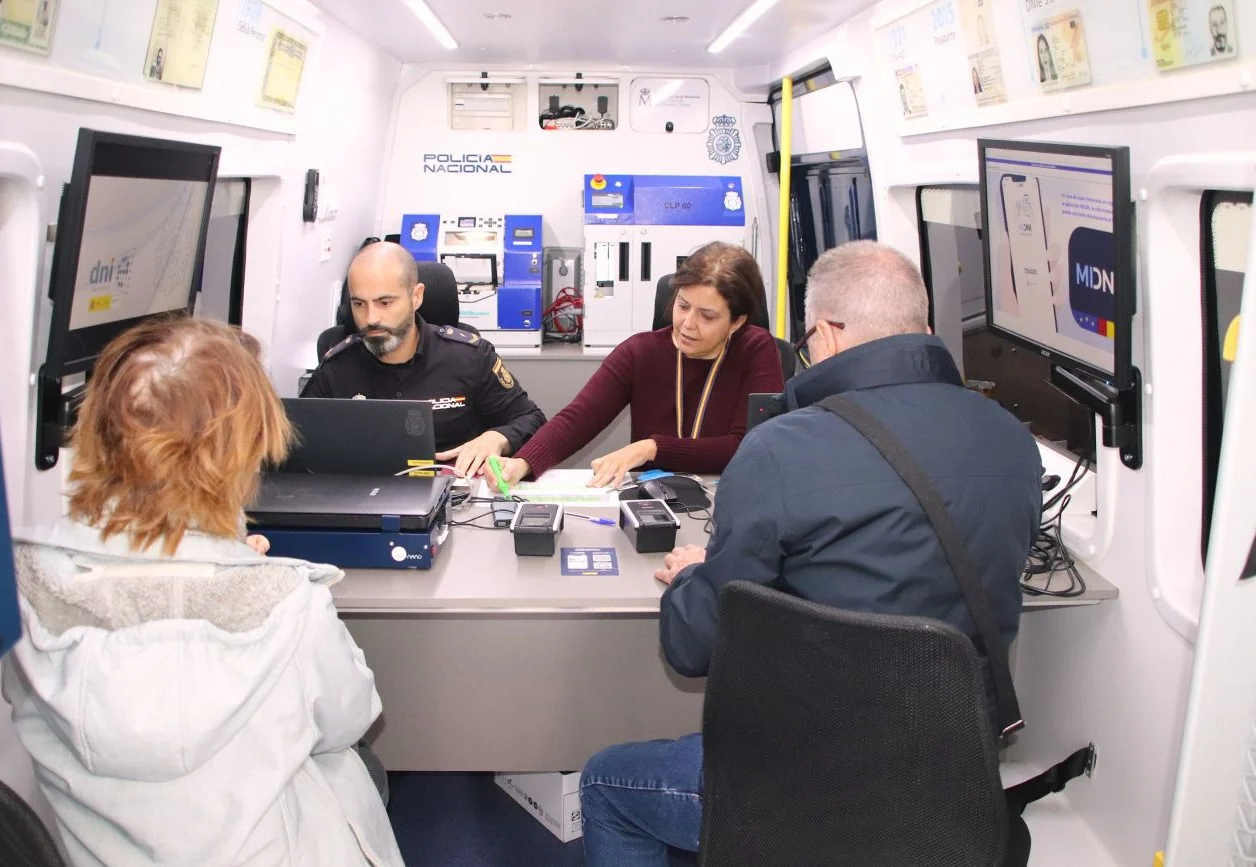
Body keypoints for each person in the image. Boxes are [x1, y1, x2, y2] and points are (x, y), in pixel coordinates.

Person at [577, 241, 1042, 865]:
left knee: (608, 781)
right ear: (921, 326)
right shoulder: (1012, 440)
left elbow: (692, 646)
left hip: (812, 786)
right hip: (953, 778)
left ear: (824, 334)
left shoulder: (781, 448)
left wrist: (697, 576)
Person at [4, 317, 405, 867]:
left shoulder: (24, 586)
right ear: (241, 455)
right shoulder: (287, 605)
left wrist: (224, 556)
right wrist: (240, 565)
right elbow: (351, 718)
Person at [485, 241, 784, 489]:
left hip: (731, 497)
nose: (687, 323)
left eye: (706, 316)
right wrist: (523, 462)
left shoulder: (756, 350)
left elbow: (748, 445)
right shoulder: (640, 352)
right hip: (655, 503)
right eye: (682, 306)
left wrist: (650, 448)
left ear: (737, 321)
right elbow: (578, 419)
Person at [302, 241, 546, 478]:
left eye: (384, 302)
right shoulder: (337, 367)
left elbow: (532, 419)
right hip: (362, 494)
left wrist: (497, 438)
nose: (371, 318)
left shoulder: (468, 357)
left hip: (454, 493)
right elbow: (295, 443)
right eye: (359, 304)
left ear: (416, 297)